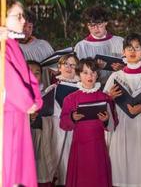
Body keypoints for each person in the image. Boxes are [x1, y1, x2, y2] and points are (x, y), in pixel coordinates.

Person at [104, 33, 141, 186]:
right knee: (122, 168)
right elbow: (103, 104)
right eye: (129, 48)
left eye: (137, 48)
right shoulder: (116, 76)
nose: (132, 51)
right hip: (122, 127)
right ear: (123, 51)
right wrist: (109, 98)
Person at [1, 0, 43, 187]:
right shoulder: (2, 44)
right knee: (9, 165)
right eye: (17, 16)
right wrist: (28, 102)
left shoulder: (12, 43)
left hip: (17, 112)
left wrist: (35, 98)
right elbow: (8, 77)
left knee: (18, 169)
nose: (23, 21)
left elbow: (27, 76)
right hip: (8, 113)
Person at [59, 59, 114, 187]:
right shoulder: (71, 98)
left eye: (93, 72)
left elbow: (112, 123)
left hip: (98, 146)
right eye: (85, 73)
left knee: (98, 177)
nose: (90, 76)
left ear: (97, 74)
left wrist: (106, 120)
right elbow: (63, 124)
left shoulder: (104, 97)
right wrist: (72, 117)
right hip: (80, 146)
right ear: (78, 74)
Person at [45, 54, 80, 186]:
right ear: (59, 67)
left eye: (73, 65)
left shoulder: (83, 88)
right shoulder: (52, 88)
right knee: (59, 160)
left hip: (77, 130)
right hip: (57, 130)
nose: (69, 67)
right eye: (66, 64)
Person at [73, 5, 125, 77]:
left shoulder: (119, 41)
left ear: (106, 22)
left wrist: (122, 68)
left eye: (99, 24)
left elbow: (130, 64)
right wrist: (95, 67)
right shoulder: (81, 46)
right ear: (87, 25)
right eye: (92, 25)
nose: (96, 28)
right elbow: (77, 72)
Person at [28, 60, 56, 187]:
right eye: (29, 72)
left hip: (41, 137)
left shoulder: (46, 94)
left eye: (37, 73)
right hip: (23, 140)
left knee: (41, 173)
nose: (33, 76)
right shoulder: (14, 95)